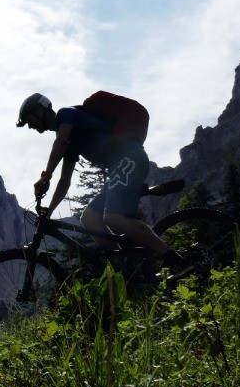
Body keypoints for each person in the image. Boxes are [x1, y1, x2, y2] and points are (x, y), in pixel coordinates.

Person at [16, 92, 187, 274]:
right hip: (121, 166)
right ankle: (124, 272)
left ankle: (175, 260)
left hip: (129, 158)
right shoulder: (70, 141)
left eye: (28, 120)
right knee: (89, 217)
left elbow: (61, 141)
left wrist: (45, 176)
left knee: (114, 217)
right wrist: (48, 212)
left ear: (39, 110)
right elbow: (64, 181)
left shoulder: (66, 114)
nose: (30, 127)